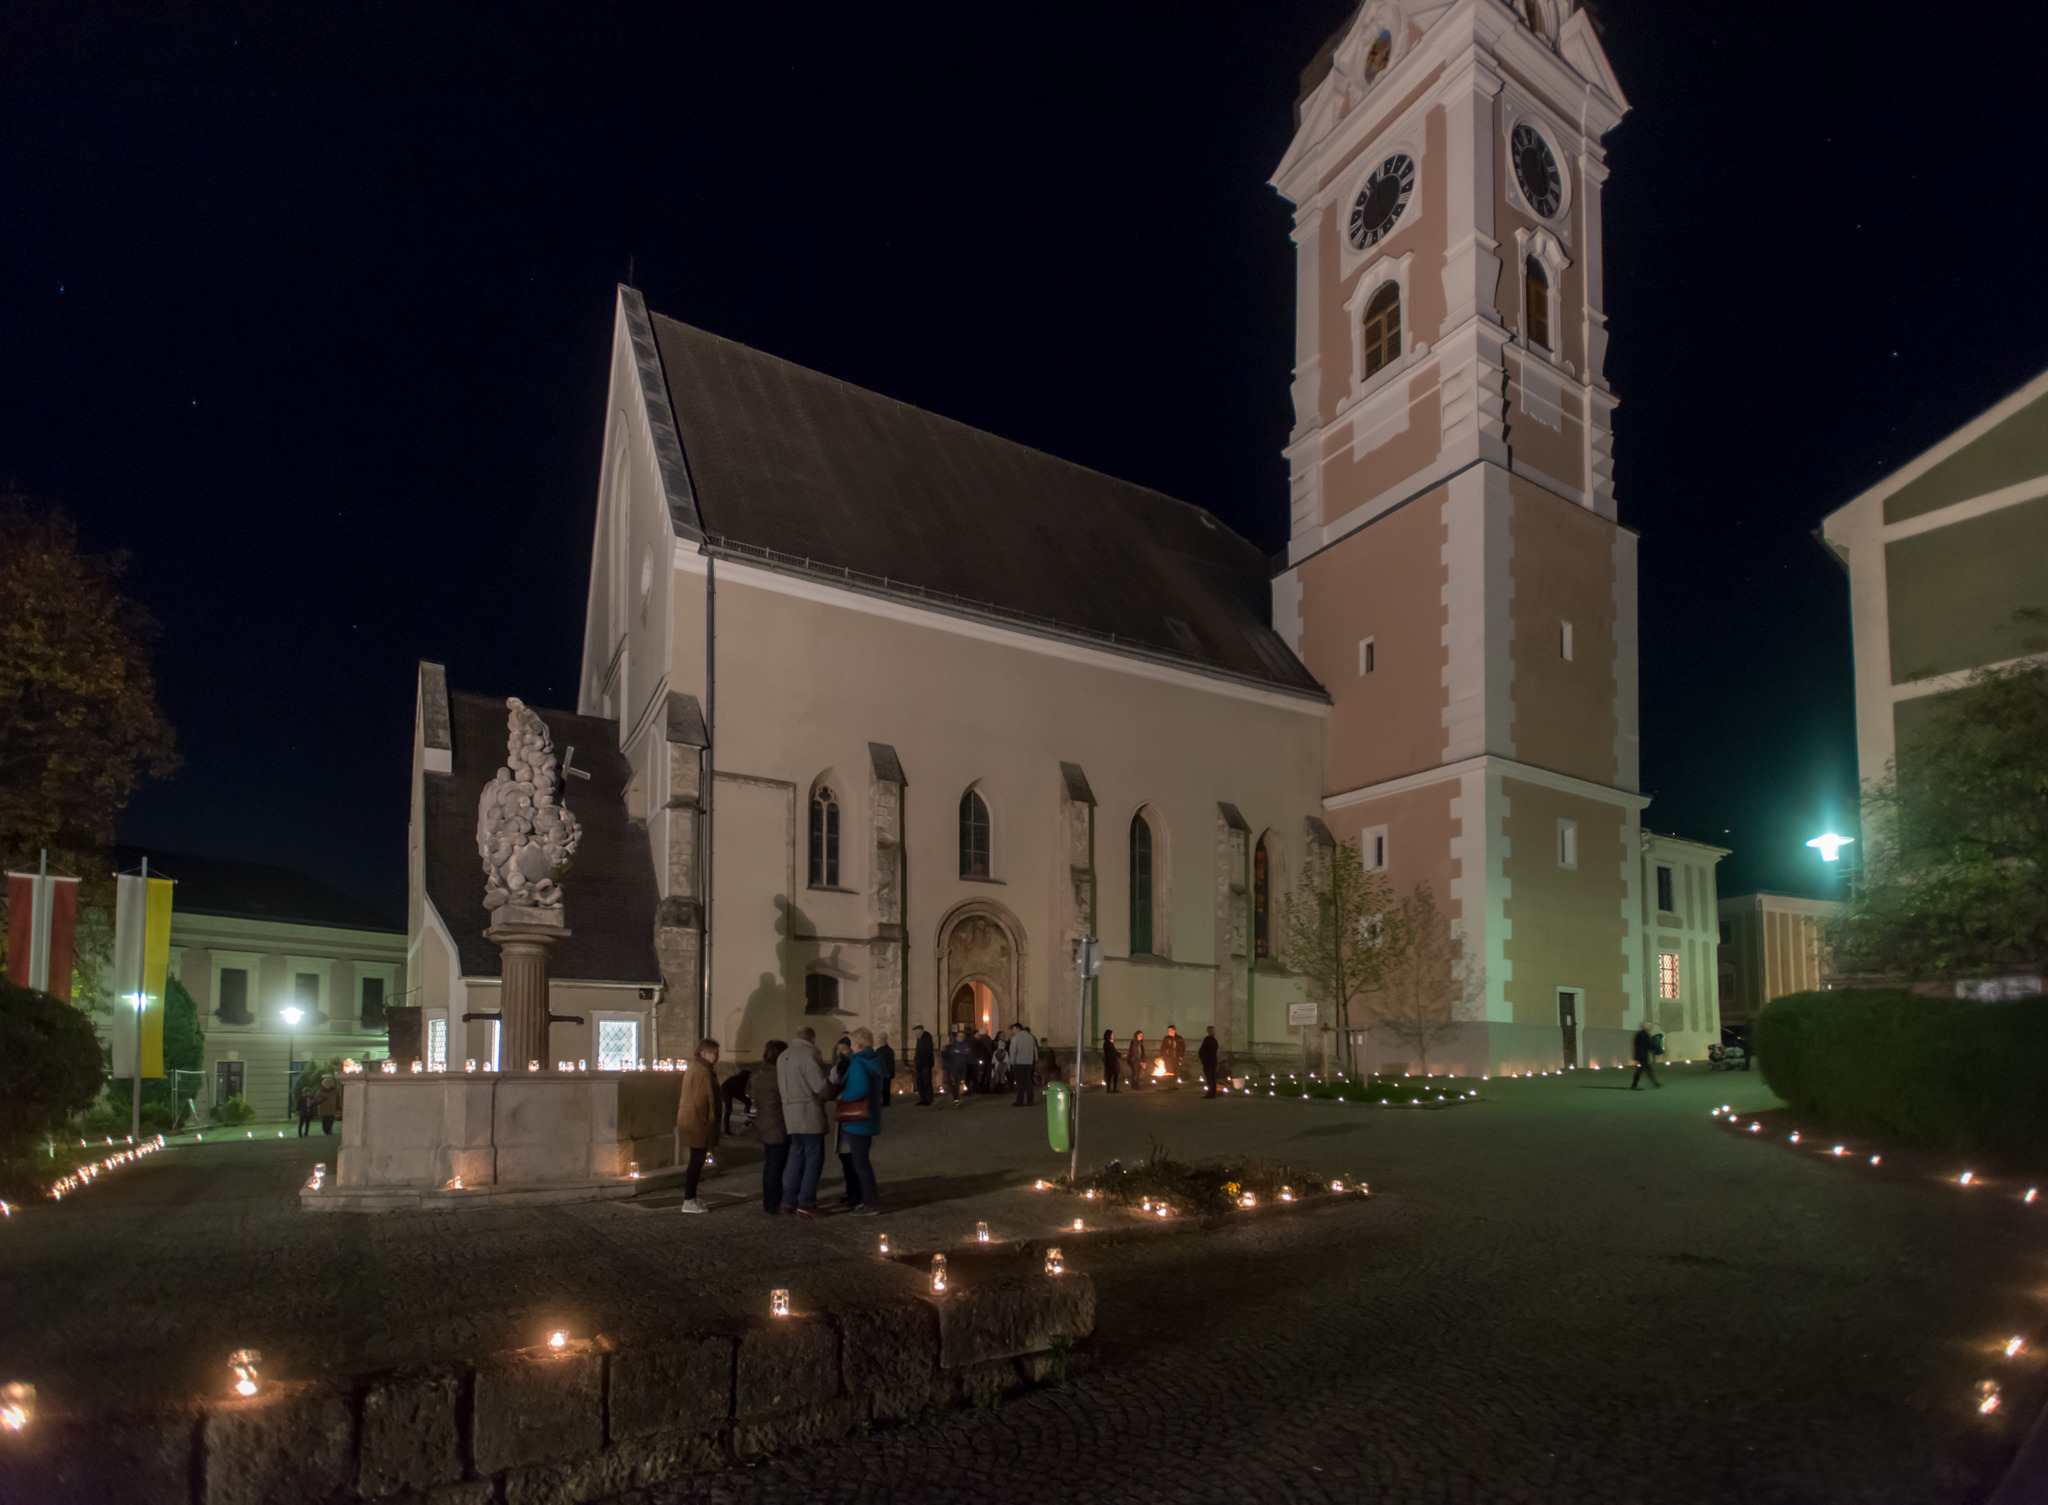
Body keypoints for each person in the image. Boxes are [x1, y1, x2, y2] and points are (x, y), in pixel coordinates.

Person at [777, 1027, 831, 1216]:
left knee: (797, 1156)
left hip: (790, 1114)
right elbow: (819, 1086)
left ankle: (789, 1199)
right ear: (812, 1039)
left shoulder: (783, 1056)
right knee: (813, 1158)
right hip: (808, 1113)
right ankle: (806, 1203)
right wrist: (831, 1091)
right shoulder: (809, 1055)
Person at [836, 1026, 886, 1214]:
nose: (851, 1047)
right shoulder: (873, 1060)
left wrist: (843, 1096)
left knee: (860, 1164)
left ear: (858, 1044)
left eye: (852, 1043)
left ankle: (870, 1203)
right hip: (869, 1116)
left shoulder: (859, 1063)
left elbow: (859, 1089)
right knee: (862, 1161)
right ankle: (867, 1200)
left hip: (858, 1120)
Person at [675, 1037, 722, 1214]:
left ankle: (691, 1197)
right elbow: (705, 1099)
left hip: (692, 1119)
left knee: (697, 1159)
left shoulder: (696, 1068)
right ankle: (689, 1199)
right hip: (698, 1122)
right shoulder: (703, 1071)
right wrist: (711, 1121)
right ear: (704, 1053)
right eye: (715, 1053)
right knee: (696, 1161)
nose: (717, 1057)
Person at [753, 1041, 789, 1214]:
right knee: (776, 1167)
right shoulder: (779, 1077)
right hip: (778, 1125)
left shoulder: (759, 1075)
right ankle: (774, 1202)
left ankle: (768, 1201)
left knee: (769, 1165)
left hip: (764, 1124)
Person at [1008, 1020, 1040, 1107]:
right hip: (1029, 1062)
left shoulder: (1015, 1038)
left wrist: (1012, 1062)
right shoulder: (1030, 1037)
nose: (1012, 1031)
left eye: (1013, 1029)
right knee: (1028, 1081)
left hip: (1019, 1063)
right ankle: (1030, 1100)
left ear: (1018, 1028)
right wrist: (1035, 1059)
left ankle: (1020, 1100)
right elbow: (1035, 1050)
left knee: (1020, 1082)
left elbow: (1013, 1051)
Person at [942, 1027, 971, 1105]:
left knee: (956, 1083)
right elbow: (946, 1053)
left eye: (962, 1036)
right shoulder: (952, 1044)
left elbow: (967, 1052)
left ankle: (956, 1099)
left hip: (959, 1067)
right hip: (950, 1066)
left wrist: (959, 1052)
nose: (961, 1038)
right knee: (949, 1082)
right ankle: (954, 1094)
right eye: (959, 1036)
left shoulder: (964, 1044)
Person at [719, 1066, 753, 1134]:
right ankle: (727, 1130)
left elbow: (743, 1091)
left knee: (748, 1102)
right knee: (728, 1109)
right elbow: (742, 1090)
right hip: (726, 1091)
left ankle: (747, 1121)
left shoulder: (741, 1079)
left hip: (734, 1091)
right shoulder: (742, 1079)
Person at [1631, 1023, 1663, 1090]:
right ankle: (1634, 1085)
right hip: (1643, 1055)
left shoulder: (1638, 1034)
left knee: (1646, 1069)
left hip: (1640, 1054)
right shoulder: (1644, 1034)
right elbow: (1648, 1044)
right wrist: (1656, 1049)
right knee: (1642, 1070)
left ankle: (1655, 1083)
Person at [913, 1024, 935, 1106]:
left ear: (921, 1031)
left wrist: (920, 1060)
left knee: (926, 1082)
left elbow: (927, 1051)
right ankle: (923, 1099)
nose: (915, 1034)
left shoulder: (927, 1037)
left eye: (916, 1032)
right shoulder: (919, 1039)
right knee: (920, 1082)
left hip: (925, 1064)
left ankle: (929, 1099)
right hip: (919, 1064)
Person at [1198, 1025, 1220, 1098]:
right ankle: (1213, 1092)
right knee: (1213, 1078)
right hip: (1213, 1061)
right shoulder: (1214, 1040)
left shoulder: (1207, 1040)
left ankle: (1210, 1093)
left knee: (1209, 1078)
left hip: (1208, 1061)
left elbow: (1202, 1051)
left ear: (1207, 1032)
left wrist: (1203, 1059)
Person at [876, 1031, 897, 1106]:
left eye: (881, 1039)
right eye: (879, 1039)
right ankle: (882, 1101)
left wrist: (889, 1073)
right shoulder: (878, 1050)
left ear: (885, 1039)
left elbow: (890, 1063)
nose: (880, 1041)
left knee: (886, 1088)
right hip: (880, 1071)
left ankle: (886, 1101)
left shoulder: (889, 1051)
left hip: (886, 1072)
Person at [1102, 1028, 1121, 1093]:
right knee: (1110, 1075)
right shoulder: (1107, 1043)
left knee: (1115, 1074)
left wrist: (1119, 1055)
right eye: (1112, 1034)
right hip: (1110, 1062)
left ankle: (1114, 1088)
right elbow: (1111, 1052)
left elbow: (1114, 1051)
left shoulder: (1109, 1043)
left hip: (1112, 1061)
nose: (1112, 1035)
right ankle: (1109, 1089)